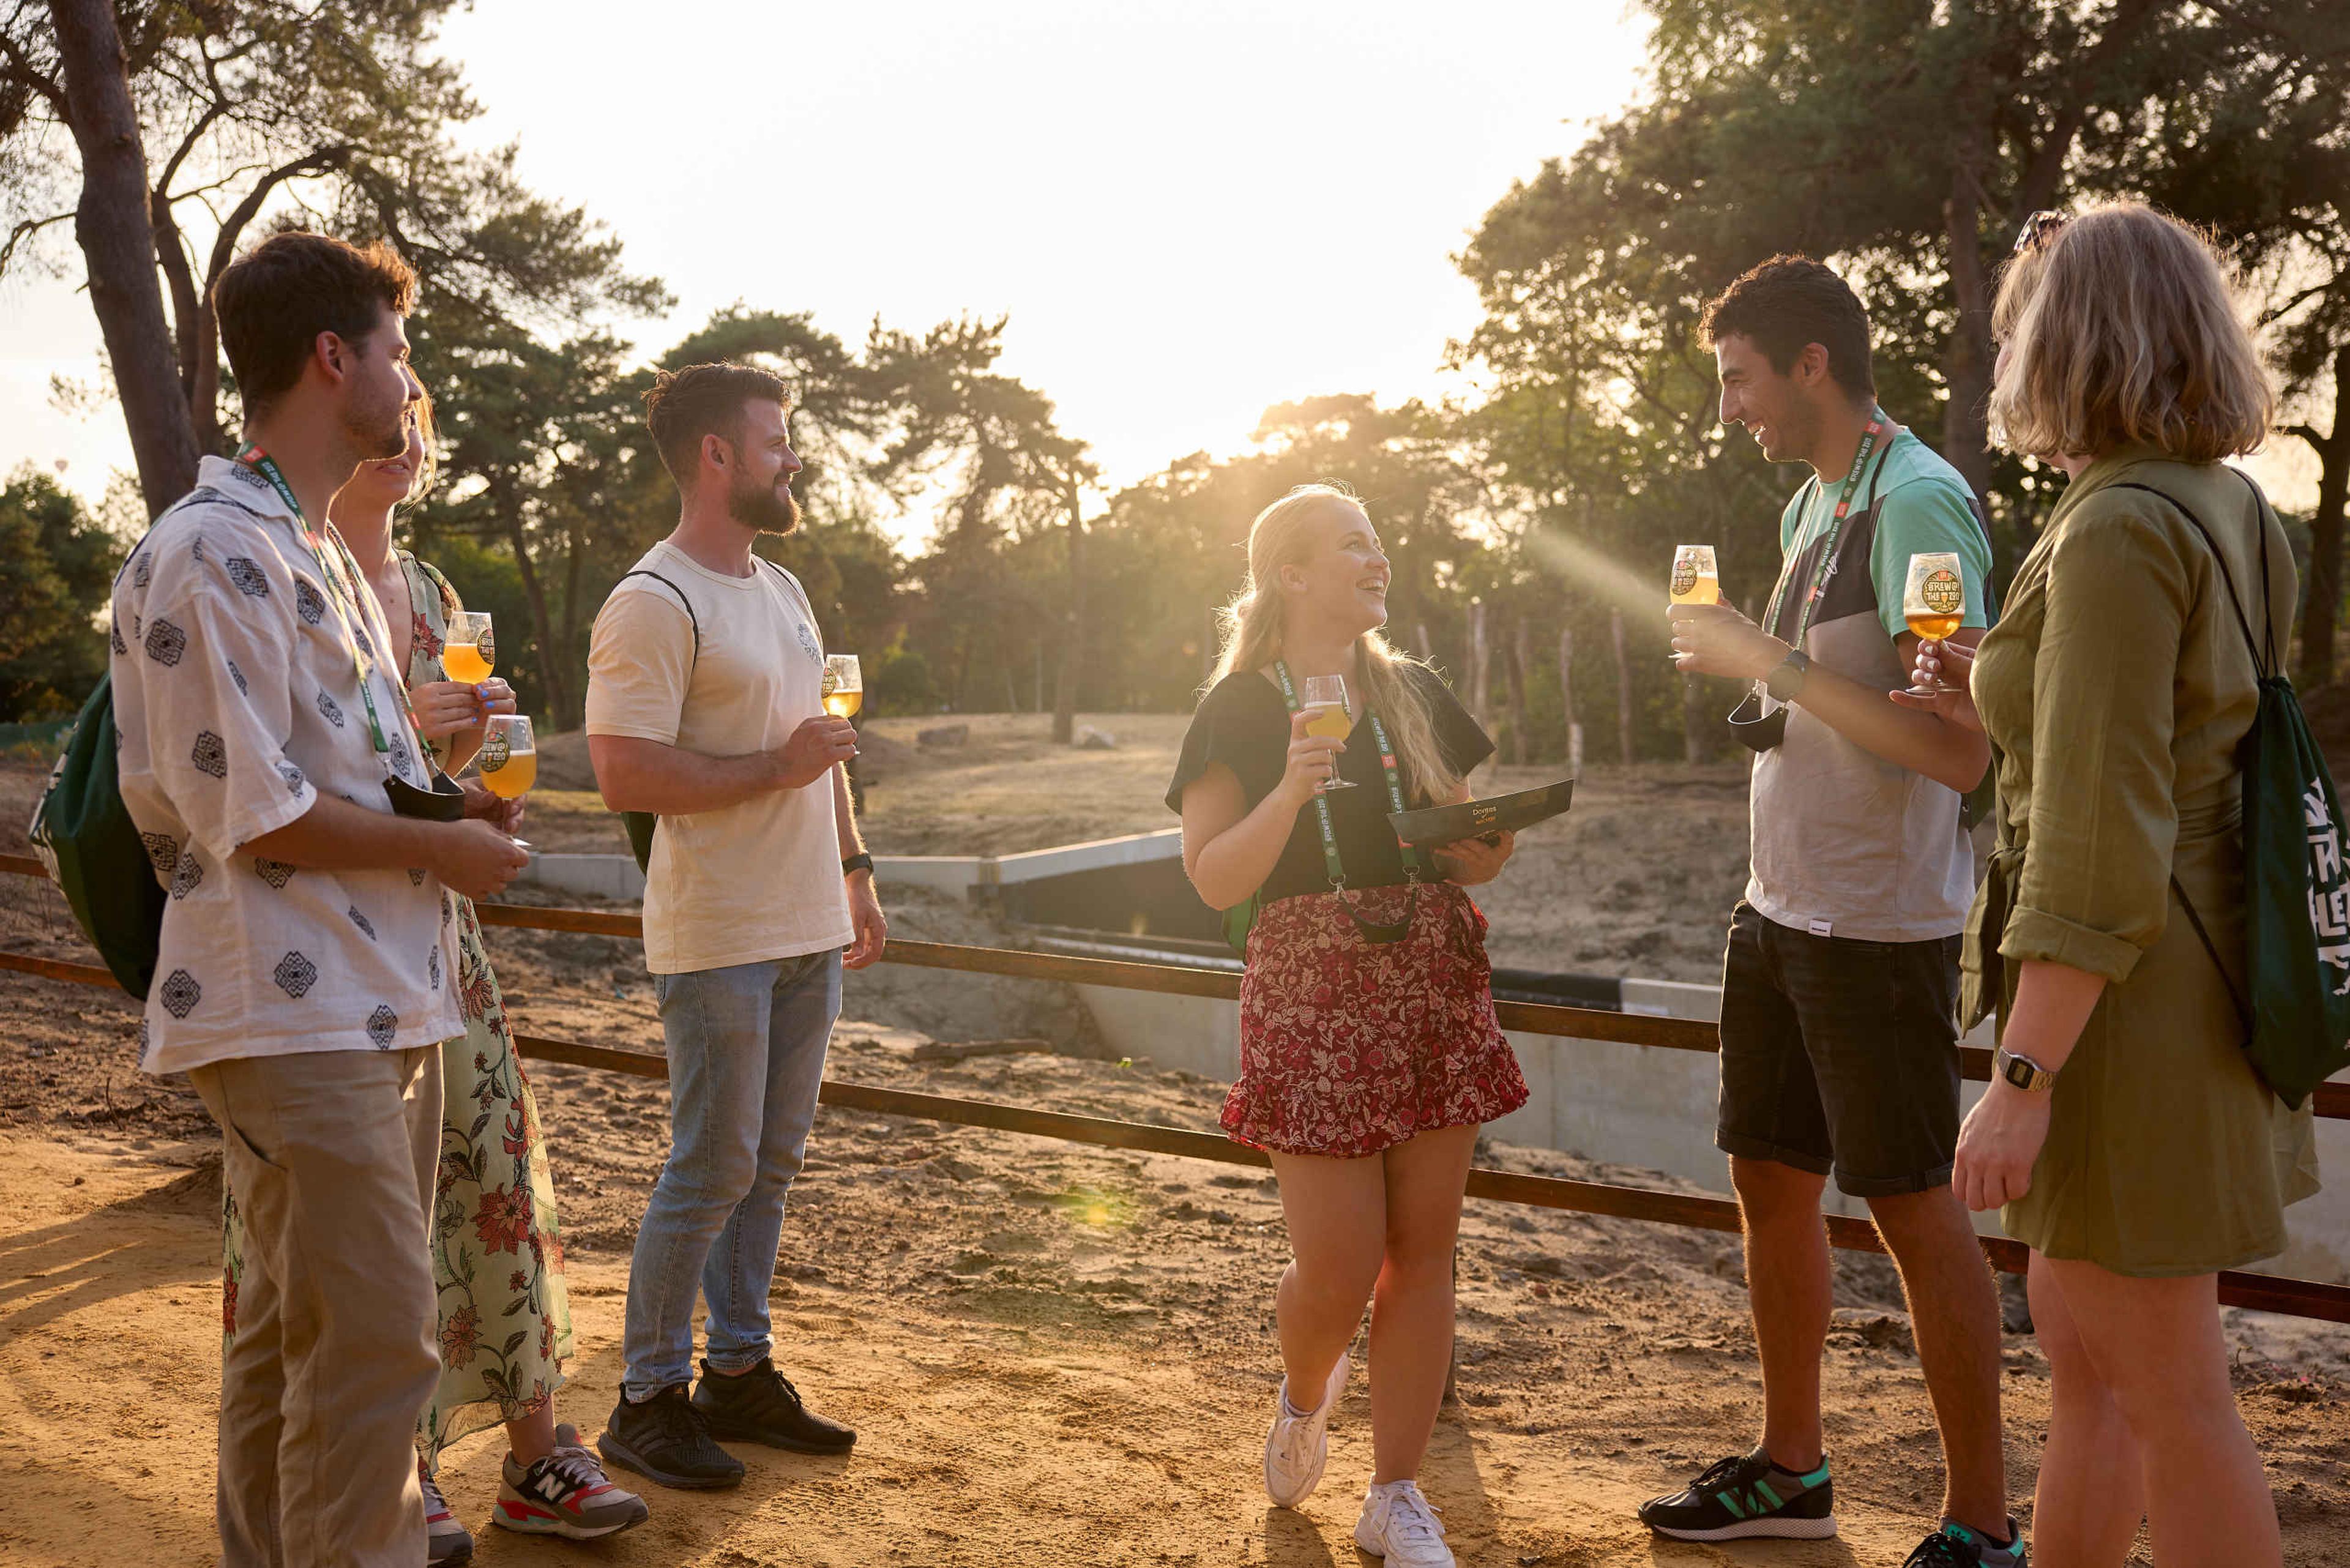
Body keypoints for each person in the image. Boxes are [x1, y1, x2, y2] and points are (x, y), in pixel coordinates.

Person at [1899, 203, 2318, 1568]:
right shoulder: (2228, 505)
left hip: (2121, 1018)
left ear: (2070, 342)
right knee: (2101, 1377)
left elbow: (2096, 836)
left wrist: (2018, 1082)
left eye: (2022, 322)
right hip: (2198, 984)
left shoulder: (2116, 532)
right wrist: (2015, 687)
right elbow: (2181, 735)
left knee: (2174, 1398)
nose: (2009, 346)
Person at [108, 231, 529, 1567]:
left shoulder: (312, 549)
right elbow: (258, 812)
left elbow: (341, 770)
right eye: (397, 353)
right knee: (375, 1342)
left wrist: (454, 810)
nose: (411, 384)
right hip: (292, 1009)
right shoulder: (210, 550)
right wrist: (448, 857)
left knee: (295, 1336)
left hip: (367, 997)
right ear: (333, 358)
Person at [1655, 256, 2020, 1566]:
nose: (1731, 409)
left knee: (1917, 1211)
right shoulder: (1823, 495)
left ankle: (1982, 1525)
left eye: (1741, 379)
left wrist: (1768, 657)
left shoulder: (1918, 501)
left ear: (1813, 364)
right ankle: (1795, 1470)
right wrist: (1770, 672)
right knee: (1769, 1180)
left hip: (1879, 927)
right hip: (1782, 905)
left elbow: (1957, 749)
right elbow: (1822, 694)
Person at [1168, 483, 1525, 1568]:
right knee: (1337, 1267)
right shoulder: (1236, 707)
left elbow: (1478, 850)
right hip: (1308, 989)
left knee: (1424, 1256)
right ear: (1291, 573)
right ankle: (1307, 1390)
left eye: (1379, 540)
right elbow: (1209, 876)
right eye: (1352, 545)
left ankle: (1397, 1495)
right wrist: (1290, 786)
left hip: (1428, 977)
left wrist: (1481, 844)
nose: (1378, 559)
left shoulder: (1414, 689)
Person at [322, 402, 645, 1556]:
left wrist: (475, 770)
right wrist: (409, 727)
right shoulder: (291, 570)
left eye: (417, 417)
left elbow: (432, 779)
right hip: (325, 939)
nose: (403, 434)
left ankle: (534, 1457)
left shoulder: (437, 592)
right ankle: (399, 1470)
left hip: (441, 932)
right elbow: (299, 766)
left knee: (497, 1170)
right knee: (374, 1211)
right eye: (385, 412)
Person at [584, 361, 889, 1490]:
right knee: (710, 1165)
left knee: (770, 1163)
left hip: (809, 918)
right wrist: (775, 767)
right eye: (777, 440)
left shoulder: (785, 589)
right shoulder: (652, 601)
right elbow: (622, 772)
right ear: (717, 455)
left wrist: (854, 868)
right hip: (717, 933)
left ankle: (739, 1373)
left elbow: (825, 742)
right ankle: (646, 1397)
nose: (792, 455)